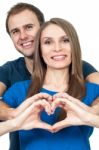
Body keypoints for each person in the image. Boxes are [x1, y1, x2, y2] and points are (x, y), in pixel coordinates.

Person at [0, 2, 98, 149]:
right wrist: (15, 121)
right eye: (48, 42)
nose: (57, 48)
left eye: (65, 40)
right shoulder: (18, 89)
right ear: (39, 48)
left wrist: (90, 117)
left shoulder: (91, 89)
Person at [0, 2, 45, 150]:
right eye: (15, 31)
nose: (23, 36)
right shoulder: (8, 70)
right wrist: (14, 114)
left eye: (29, 27)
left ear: (43, 28)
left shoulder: (75, 66)